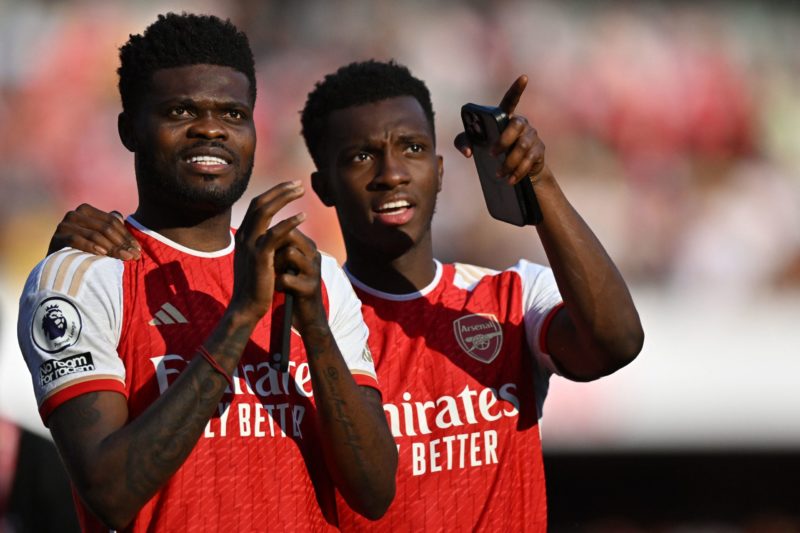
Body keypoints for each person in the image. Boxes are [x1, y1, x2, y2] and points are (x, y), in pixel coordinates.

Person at [49, 60, 644, 531]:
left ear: (439, 167)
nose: (391, 173)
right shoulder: (300, 308)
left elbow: (615, 343)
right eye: (360, 157)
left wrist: (539, 185)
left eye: (412, 149)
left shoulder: (507, 296)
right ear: (323, 187)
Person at [17, 15, 396, 532]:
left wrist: (315, 326)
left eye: (232, 114)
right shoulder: (81, 279)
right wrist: (240, 318)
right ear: (129, 129)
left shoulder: (317, 277)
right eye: (180, 111)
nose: (211, 128)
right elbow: (109, 494)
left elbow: (374, 494)